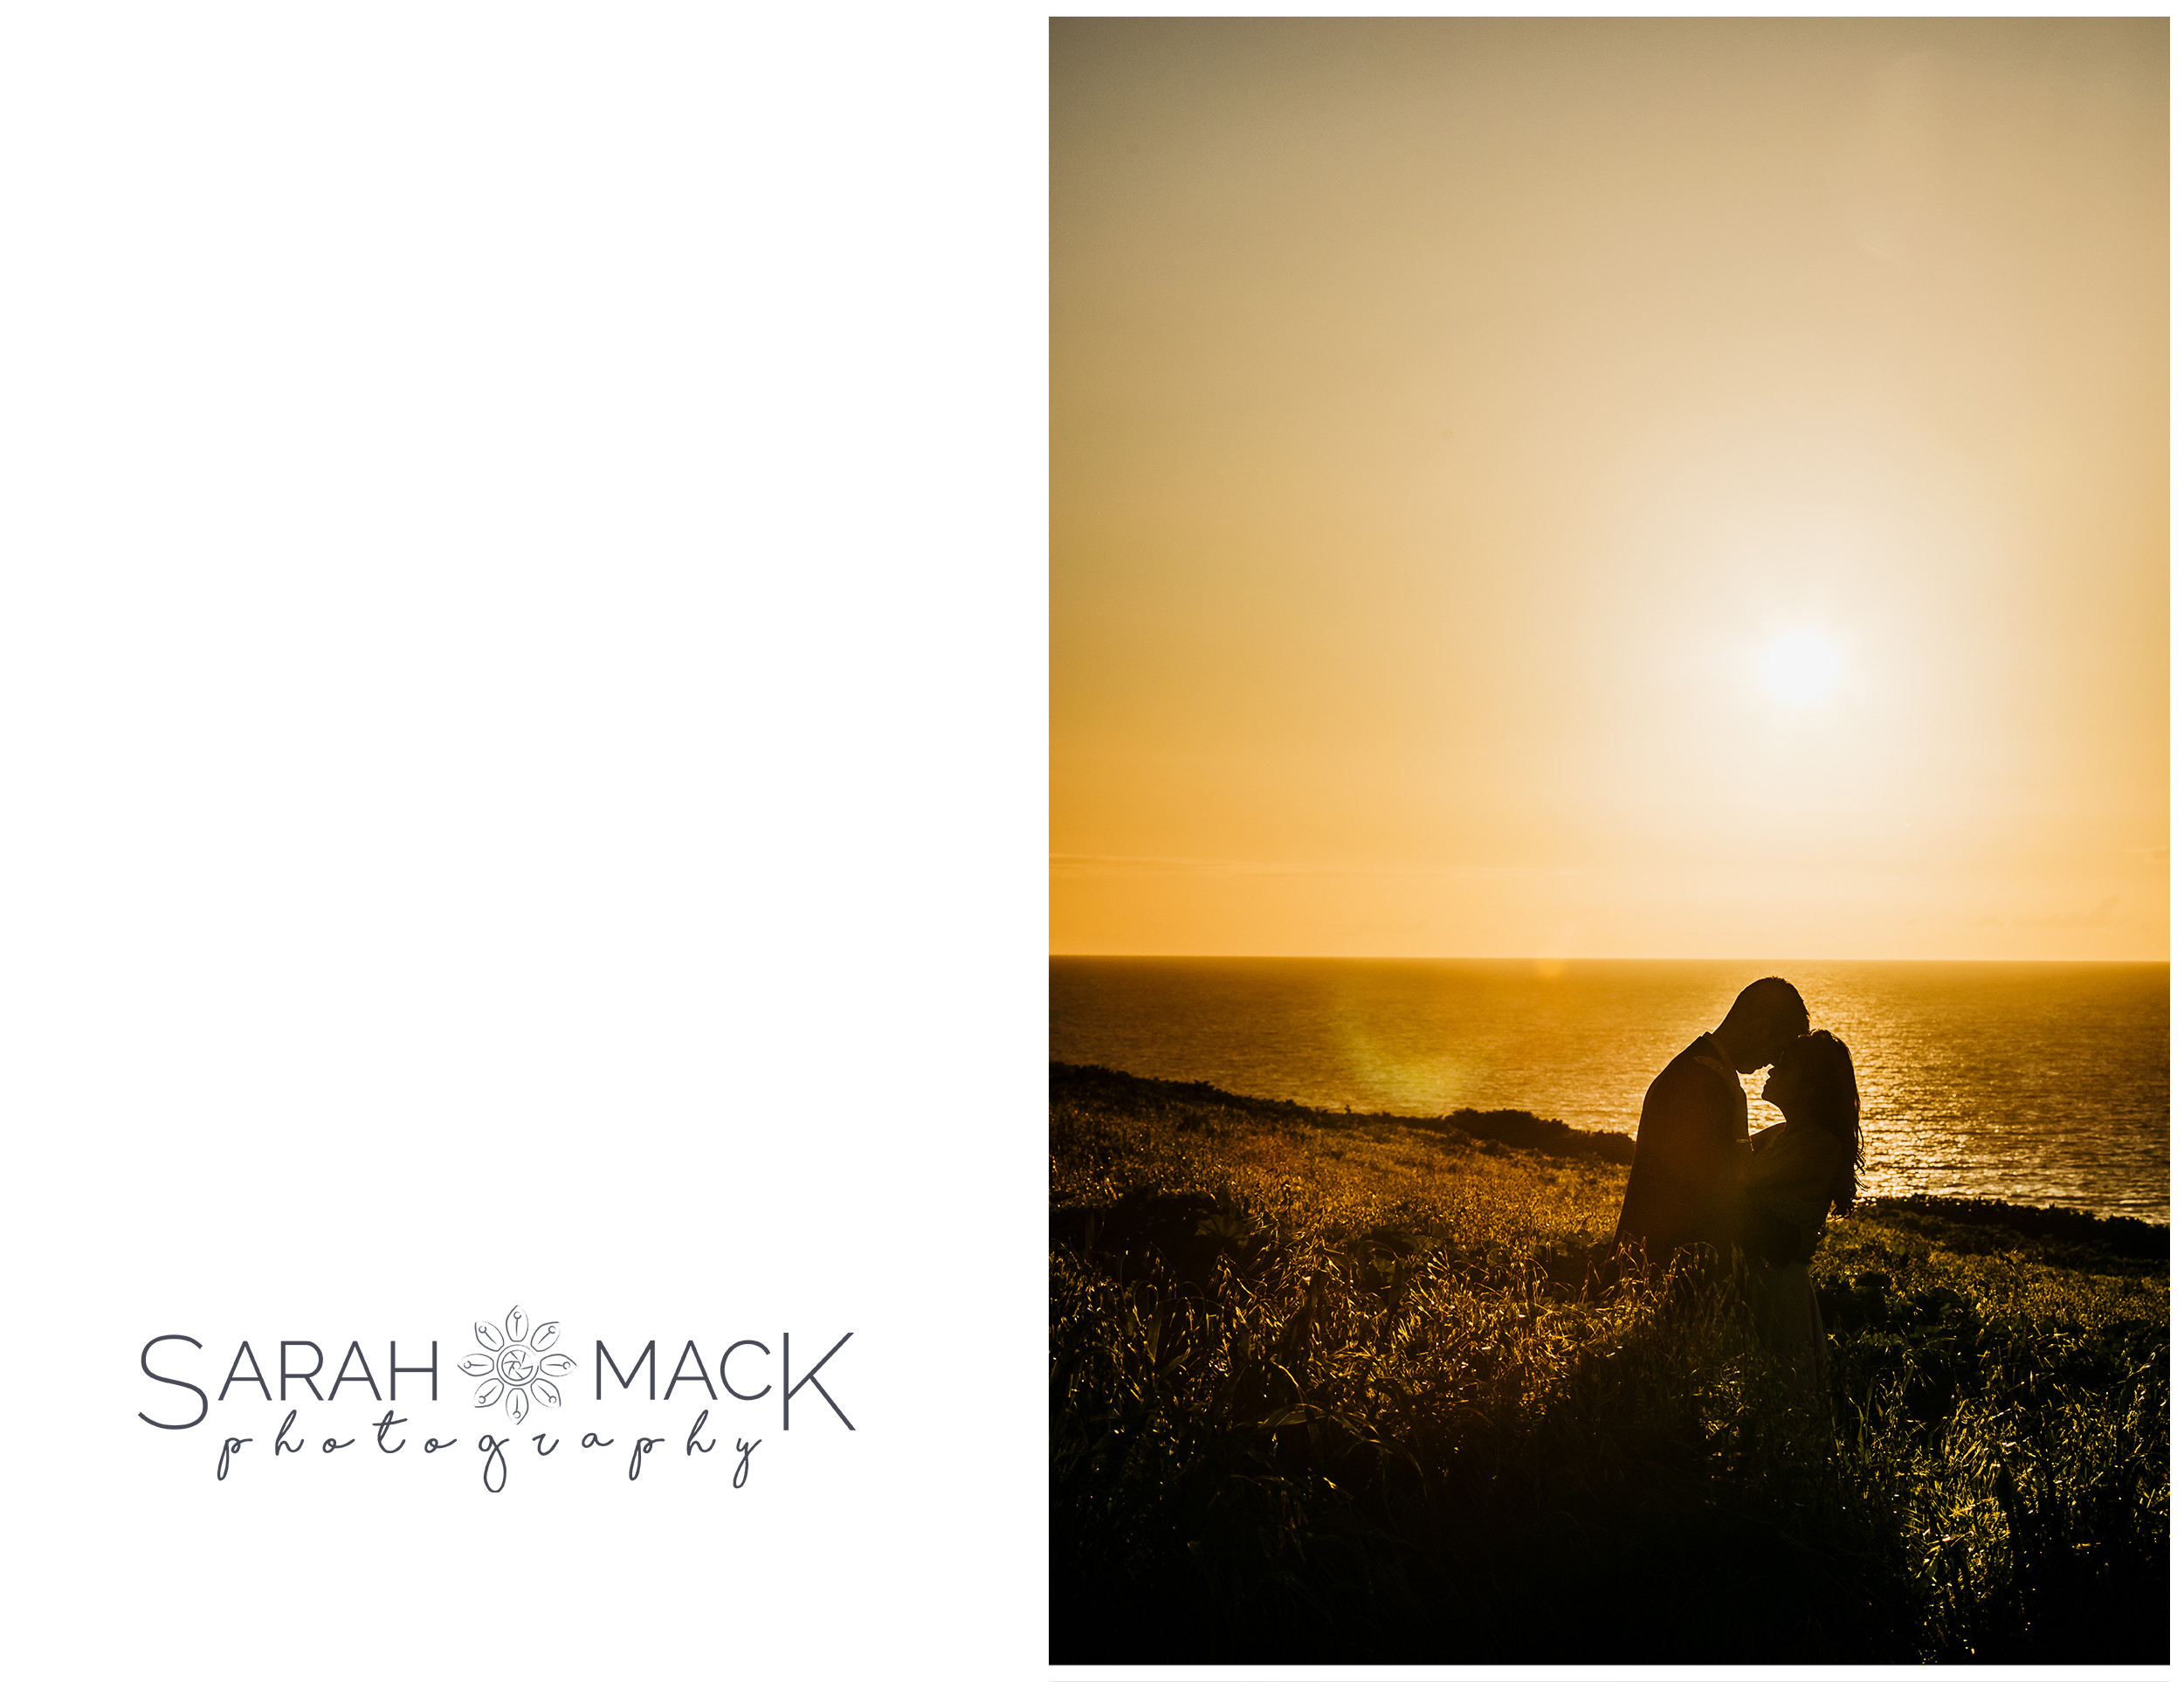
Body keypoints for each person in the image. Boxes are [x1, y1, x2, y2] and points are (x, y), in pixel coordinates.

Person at [1613, 977, 1808, 1276]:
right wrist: (1789, 1242)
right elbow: (1714, 1194)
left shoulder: (1703, 1071)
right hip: (1666, 1270)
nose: (1773, 1063)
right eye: (1778, 1050)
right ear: (1761, 1029)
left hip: (1662, 1264)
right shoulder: (1702, 1082)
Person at [1739, 1029, 1862, 1394]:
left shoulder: (1818, 1145)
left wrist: (1732, 1101)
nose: (1772, 1070)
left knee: (1778, 1394)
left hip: (1778, 1289)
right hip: (1760, 1279)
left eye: (1785, 1065)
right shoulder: (1783, 1133)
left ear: (1809, 1086)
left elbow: (1735, 1177)